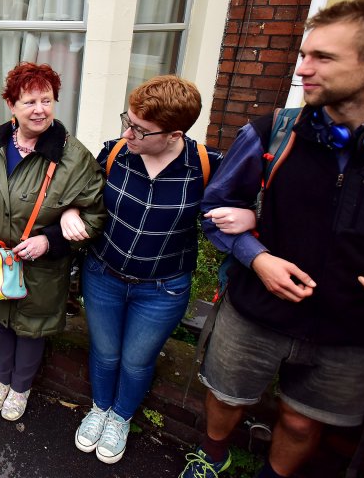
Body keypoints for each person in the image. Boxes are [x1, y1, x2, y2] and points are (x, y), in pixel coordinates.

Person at [180, 0, 364, 478]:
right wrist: (257, 258)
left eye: (322, 57)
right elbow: (214, 209)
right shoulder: (273, 133)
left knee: (303, 423)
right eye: (304, 54)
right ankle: (212, 458)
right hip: (255, 312)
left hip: (346, 331)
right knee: (224, 399)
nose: (302, 68)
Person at [59, 76, 220, 464]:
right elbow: (83, 193)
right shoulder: (115, 154)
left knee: (136, 360)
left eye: (139, 129)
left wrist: (238, 216)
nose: (127, 132)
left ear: (173, 133)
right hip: (103, 276)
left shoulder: (205, 166)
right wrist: (70, 210)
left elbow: (232, 216)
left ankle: (120, 417)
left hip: (162, 290)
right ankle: (99, 408)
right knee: (106, 351)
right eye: (126, 120)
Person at [0, 62, 107, 420]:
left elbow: (95, 216)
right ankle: (1, 380)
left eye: (47, 100)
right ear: (11, 105)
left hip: (40, 268)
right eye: (29, 102)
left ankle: (20, 388)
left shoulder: (74, 158)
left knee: (31, 328)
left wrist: (52, 239)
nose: (39, 109)